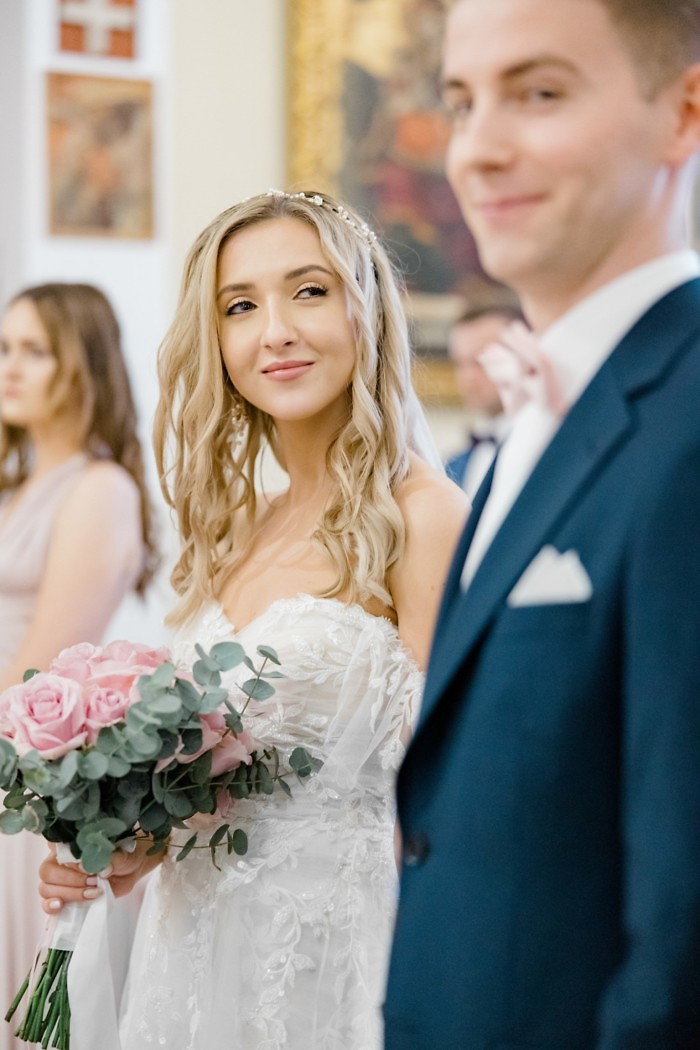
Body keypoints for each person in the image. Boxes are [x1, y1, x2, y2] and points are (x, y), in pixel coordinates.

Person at [37, 190, 468, 1048]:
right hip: (192, 957)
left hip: (334, 963)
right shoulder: (239, 528)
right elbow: (229, 785)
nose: (275, 331)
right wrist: (137, 841)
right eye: (240, 306)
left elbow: (457, 790)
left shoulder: (424, 516)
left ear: (367, 308)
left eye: (308, 291)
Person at [384, 0, 700, 1047]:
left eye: (540, 92)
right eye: (461, 103)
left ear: (683, 114)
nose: (477, 150)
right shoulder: (541, 415)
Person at [0, 282, 157, 1050]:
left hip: (22, 785)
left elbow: (39, 670)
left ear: (84, 365)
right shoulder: (14, 486)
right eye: (4, 348)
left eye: (34, 350)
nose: (9, 368)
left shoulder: (99, 490)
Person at [444, 302, 520, 497]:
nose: (467, 377)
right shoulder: (453, 465)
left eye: (480, 361)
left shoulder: (546, 449)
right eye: (460, 363)